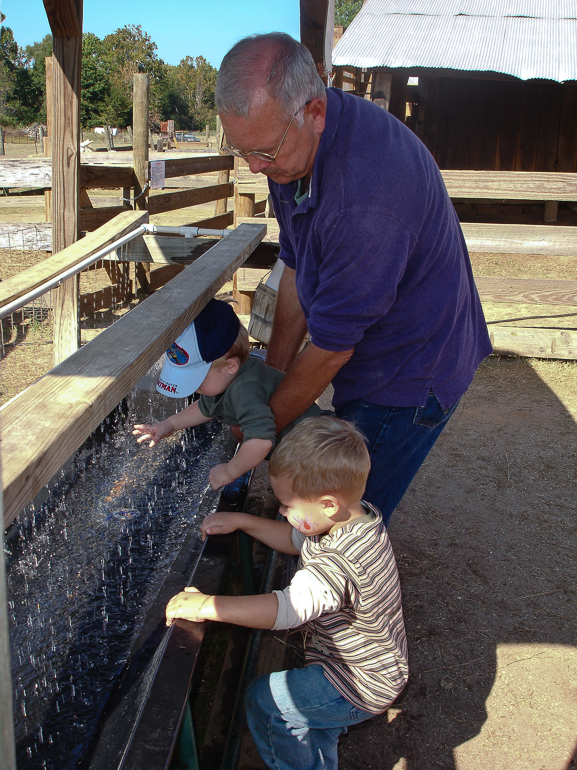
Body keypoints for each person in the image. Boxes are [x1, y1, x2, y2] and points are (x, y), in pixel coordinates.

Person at [215, 33, 492, 526]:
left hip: (411, 366)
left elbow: (332, 348)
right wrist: (269, 380)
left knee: (341, 525)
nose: (255, 167)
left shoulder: (368, 198)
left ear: (315, 112)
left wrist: (264, 422)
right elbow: (297, 272)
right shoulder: (289, 157)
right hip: (369, 339)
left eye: (264, 151)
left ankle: (341, 597)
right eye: (242, 151)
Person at [166, 417, 408, 770]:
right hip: (368, 663)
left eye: (288, 506)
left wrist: (207, 605)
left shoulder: (341, 563)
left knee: (268, 702)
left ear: (328, 504)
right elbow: (296, 541)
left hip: (358, 680)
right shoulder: (353, 517)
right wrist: (243, 522)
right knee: (315, 725)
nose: (282, 512)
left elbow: (288, 609)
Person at [133, 298, 321, 491]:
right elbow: (205, 407)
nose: (194, 388)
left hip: (314, 454)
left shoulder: (245, 389)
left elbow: (261, 441)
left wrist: (230, 471)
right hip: (301, 450)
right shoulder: (226, 379)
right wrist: (169, 424)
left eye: (197, 379)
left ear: (231, 366)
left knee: (298, 501)